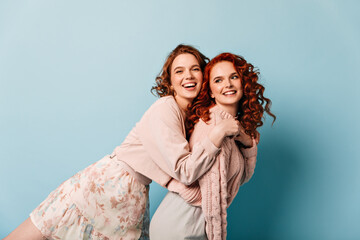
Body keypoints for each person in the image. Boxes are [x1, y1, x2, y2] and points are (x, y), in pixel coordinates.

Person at [4, 45, 242, 240]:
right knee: (39, 230)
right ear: (169, 82)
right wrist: (217, 135)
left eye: (195, 69)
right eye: (179, 71)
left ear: (205, 76)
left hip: (134, 192)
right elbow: (184, 171)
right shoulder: (165, 108)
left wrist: (241, 136)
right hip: (110, 183)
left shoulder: (191, 116)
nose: (188, 76)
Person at [149, 52, 276, 240]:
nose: (228, 85)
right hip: (180, 226)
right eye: (218, 80)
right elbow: (213, 198)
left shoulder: (232, 127)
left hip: (194, 225)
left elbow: (242, 177)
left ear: (243, 82)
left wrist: (247, 142)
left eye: (234, 77)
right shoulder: (214, 122)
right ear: (210, 90)